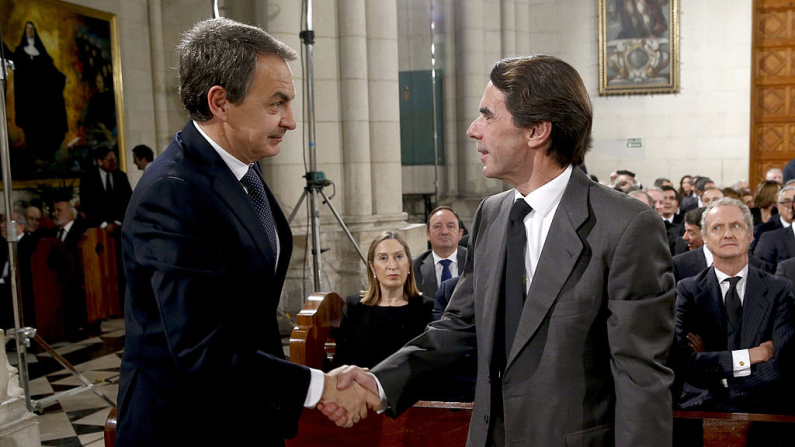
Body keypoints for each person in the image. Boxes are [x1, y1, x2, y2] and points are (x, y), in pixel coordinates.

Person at [323, 55, 675, 447]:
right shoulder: (491, 214)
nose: (473, 130)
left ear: (536, 131)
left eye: (487, 116)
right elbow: (460, 326)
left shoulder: (626, 226)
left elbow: (641, 377)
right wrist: (377, 383)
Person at [115, 18, 375, 447]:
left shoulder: (241, 170)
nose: (291, 121)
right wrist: (319, 387)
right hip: (186, 425)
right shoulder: (173, 192)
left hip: (244, 411)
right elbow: (201, 349)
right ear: (220, 102)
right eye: (276, 104)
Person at [673, 198, 795, 413]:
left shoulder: (780, 289)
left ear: (751, 235)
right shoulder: (688, 291)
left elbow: (781, 365)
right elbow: (684, 362)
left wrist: (721, 379)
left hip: (764, 410)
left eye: (736, 226)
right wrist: (750, 356)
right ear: (705, 238)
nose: (728, 234)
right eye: (717, 228)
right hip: (701, 408)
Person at [332, 232, 433, 369]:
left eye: (398, 257)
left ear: (409, 264)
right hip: (363, 381)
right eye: (383, 258)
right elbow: (342, 362)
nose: (392, 265)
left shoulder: (427, 308)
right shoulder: (354, 307)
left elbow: (431, 363)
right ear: (372, 267)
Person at [2, 21, 68, 165]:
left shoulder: (41, 52)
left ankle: (47, 154)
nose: (30, 32)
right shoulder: (20, 52)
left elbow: (51, 70)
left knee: (47, 126)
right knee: (32, 128)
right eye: (28, 29)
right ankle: (35, 156)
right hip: (29, 99)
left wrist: (63, 78)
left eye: (32, 29)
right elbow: (12, 60)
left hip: (43, 99)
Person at [412, 206, 468, 298]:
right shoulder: (414, 267)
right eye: (437, 226)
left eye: (450, 226)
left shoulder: (475, 261)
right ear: (428, 234)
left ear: (460, 234)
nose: (444, 232)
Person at [79, 147, 133, 233]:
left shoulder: (121, 176)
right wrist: (103, 225)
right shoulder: (88, 178)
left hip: (120, 228)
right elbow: (87, 204)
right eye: (110, 160)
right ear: (100, 162)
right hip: (97, 229)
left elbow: (128, 201)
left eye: (115, 159)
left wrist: (117, 223)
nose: (114, 163)